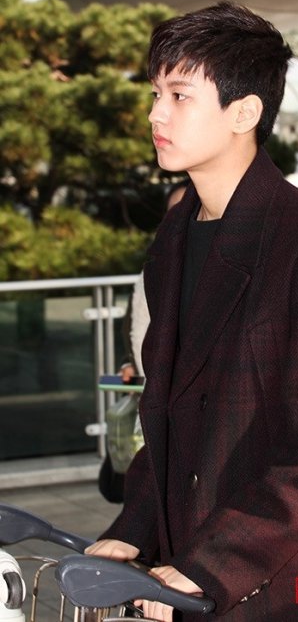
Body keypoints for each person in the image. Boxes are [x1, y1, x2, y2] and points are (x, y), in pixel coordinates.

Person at [86, 1, 298, 621]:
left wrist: (210, 565)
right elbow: (170, 417)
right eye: (156, 93)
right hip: (238, 566)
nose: (156, 113)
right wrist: (135, 527)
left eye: (180, 95)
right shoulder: (175, 240)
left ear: (244, 112)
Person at [99, 180, 188, 503]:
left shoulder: (215, 273)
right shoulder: (152, 270)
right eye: (172, 212)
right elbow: (132, 331)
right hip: (150, 405)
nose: (179, 218)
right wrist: (129, 363)